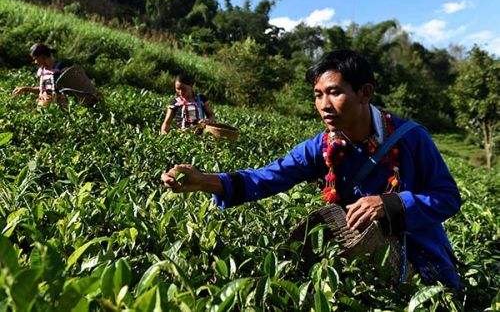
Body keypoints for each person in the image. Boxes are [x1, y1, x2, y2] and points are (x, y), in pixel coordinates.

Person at [160, 50, 462, 289]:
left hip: (422, 259)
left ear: (365, 92)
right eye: (318, 94)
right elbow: (269, 177)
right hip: (361, 259)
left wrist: (389, 203)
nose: (324, 104)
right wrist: (204, 181)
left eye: (334, 92)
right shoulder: (321, 146)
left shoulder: (410, 138)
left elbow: (447, 197)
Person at [12, 43, 100, 106]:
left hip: (61, 106)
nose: (35, 62)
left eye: (35, 58)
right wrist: (26, 89)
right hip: (44, 104)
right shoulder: (41, 71)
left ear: (42, 56)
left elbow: (74, 89)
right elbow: (44, 90)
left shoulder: (61, 68)